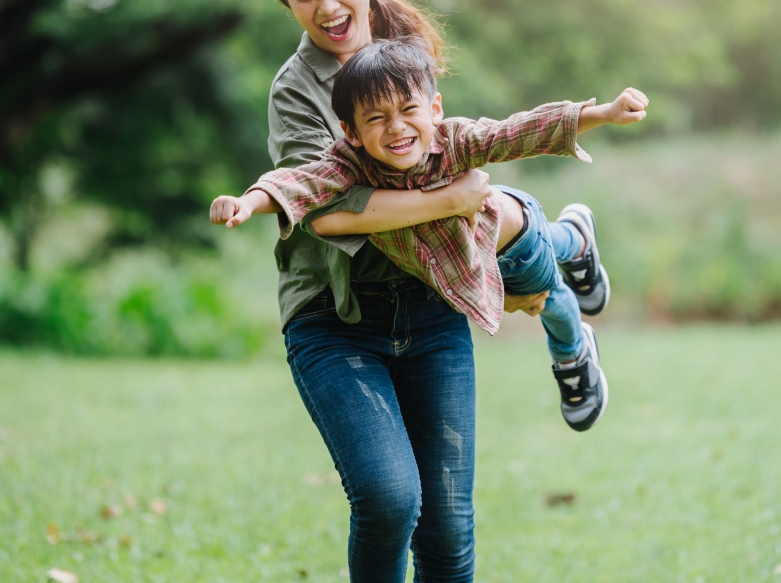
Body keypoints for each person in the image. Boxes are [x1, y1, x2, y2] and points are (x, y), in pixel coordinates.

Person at [216, 0, 606, 582]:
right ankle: (565, 247)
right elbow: (332, 202)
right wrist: (448, 200)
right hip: (337, 321)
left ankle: (565, 254)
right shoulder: (295, 92)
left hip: (429, 308)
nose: (327, 6)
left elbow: (474, 141)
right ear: (285, 3)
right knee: (390, 499)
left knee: (449, 531)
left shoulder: (404, 47)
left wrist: (586, 118)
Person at [211, 40, 649, 432]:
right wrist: (248, 202)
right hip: (477, 252)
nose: (396, 127)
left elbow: (519, 131)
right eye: (376, 118)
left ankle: (573, 354)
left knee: (548, 299)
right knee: (555, 257)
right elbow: (302, 182)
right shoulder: (349, 166)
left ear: (434, 109)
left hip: (511, 241)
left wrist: (604, 114)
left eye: (408, 111)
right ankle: (576, 236)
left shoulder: (455, 141)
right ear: (351, 132)